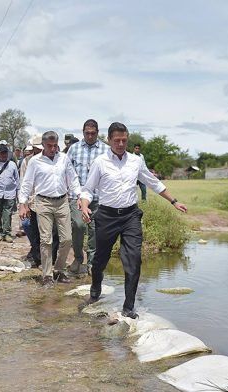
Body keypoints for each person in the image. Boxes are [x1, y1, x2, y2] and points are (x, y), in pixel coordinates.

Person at [80, 122, 187, 319]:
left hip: (130, 216)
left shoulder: (136, 161)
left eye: (124, 140)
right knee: (100, 260)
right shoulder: (100, 162)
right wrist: (84, 205)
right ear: (109, 140)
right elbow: (87, 189)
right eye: (117, 140)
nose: (121, 144)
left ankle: (129, 307)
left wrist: (174, 201)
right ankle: (95, 292)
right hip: (107, 216)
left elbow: (153, 182)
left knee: (133, 260)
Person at [18, 131, 80, 287]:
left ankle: (58, 270)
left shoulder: (64, 159)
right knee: (46, 240)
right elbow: (27, 183)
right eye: (49, 146)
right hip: (43, 202)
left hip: (62, 201)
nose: (53, 149)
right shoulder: (34, 161)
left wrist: (80, 196)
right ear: (43, 146)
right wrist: (22, 204)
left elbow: (72, 179)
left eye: (55, 146)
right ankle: (46, 275)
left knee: (66, 239)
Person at [66, 119, 108, 275]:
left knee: (95, 230)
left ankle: (91, 262)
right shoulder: (74, 149)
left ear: (97, 132)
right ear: (82, 132)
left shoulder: (106, 149)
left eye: (93, 133)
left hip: (98, 197)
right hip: (77, 196)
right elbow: (68, 173)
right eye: (87, 133)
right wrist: (74, 193)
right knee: (78, 225)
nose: (90, 136)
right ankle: (78, 258)